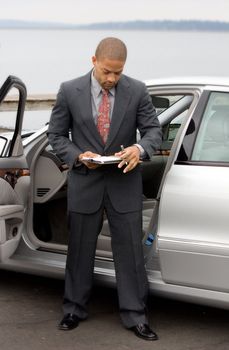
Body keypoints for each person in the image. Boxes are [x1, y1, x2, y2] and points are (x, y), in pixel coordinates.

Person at [48, 37, 162, 341]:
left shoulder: (137, 90)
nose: (112, 79)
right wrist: (77, 155)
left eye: (118, 73)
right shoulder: (68, 90)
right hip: (85, 182)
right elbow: (56, 136)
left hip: (124, 183)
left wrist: (140, 148)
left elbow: (153, 131)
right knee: (79, 250)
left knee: (130, 253)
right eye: (107, 72)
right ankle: (73, 309)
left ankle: (136, 316)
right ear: (94, 60)